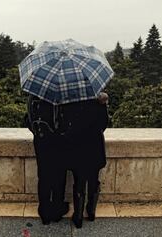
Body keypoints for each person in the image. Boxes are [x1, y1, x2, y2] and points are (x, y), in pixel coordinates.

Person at [61, 92, 109, 228]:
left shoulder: (72, 102)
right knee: (94, 180)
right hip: (95, 148)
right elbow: (104, 125)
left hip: (78, 148)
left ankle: (78, 216)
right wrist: (103, 105)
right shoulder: (99, 102)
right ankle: (91, 212)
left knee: (79, 183)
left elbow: (67, 126)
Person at [25, 95, 69, 225]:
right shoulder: (61, 98)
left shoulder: (32, 98)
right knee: (59, 176)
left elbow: (27, 120)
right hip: (59, 142)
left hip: (40, 141)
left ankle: (44, 211)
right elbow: (66, 121)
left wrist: (37, 133)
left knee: (44, 176)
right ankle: (57, 210)